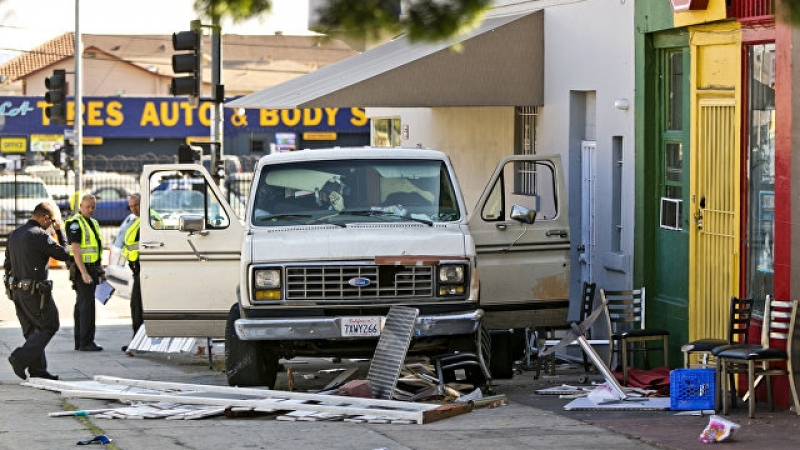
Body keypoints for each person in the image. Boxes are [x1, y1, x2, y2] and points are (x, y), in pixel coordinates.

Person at [4, 202, 71, 380]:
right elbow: (64, 253)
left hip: (17, 291)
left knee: (32, 331)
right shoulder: (39, 235)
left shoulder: (15, 234)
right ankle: (19, 358)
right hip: (35, 293)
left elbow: (7, 265)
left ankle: (38, 371)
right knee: (49, 325)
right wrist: (59, 231)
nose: (51, 225)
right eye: (51, 222)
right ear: (45, 218)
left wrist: (10, 289)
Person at [66, 194, 104, 352]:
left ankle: (81, 341)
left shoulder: (93, 223)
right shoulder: (75, 223)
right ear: (80, 206)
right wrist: (84, 273)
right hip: (83, 269)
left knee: (83, 305)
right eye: (87, 206)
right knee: (86, 306)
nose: (90, 209)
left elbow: (96, 248)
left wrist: (100, 270)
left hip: (92, 268)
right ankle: (86, 342)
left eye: (93, 206)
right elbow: (76, 249)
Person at [121, 193, 142, 350]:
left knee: (138, 307)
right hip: (137, 270)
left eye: (137, 205)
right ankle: (136, 341)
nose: (134, 209)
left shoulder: (149, 220)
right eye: (131, 206)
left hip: (144, 269)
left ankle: (138, 342)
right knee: (135, 306)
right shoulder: (136, 221)